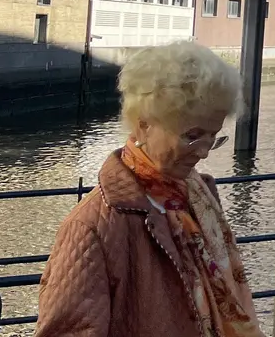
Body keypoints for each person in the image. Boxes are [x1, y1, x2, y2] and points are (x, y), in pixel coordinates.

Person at [36, 42, 261, 337]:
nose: (204, 152)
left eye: (213, 136)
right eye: (192, 136)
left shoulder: (196, 196)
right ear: (143, 125)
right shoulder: (93, 227)